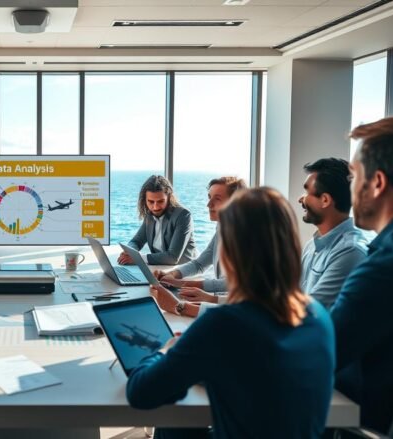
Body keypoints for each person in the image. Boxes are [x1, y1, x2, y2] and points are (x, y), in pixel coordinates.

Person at [128, 188, 335, 439]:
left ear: (232, 252)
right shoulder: (319, 317)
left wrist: (167, 350)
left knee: (173, 422)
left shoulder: (224, 324)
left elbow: (141, 393)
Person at [331, 115, 393, 433]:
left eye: (354, 176)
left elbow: (315, 357)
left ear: (377, 183)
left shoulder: (386, 271)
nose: (350, 187)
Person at [155, 177, 247, 307]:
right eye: (209, 197)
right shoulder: (222, 226)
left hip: (237, 306)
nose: (208, 204)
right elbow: (200, 263)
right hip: (221, 303)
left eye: (217, 199)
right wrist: (172, 275)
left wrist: (185, 284)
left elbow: (234, 283)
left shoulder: (247, 236)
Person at [297, 158, 368, 309]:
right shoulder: (312, 246)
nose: (300, 199)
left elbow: (310, 310)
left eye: (306, 191)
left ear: (325, 200)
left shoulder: (351, 251)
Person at [118, 175, 197, 266]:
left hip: (184, 270)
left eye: (160, 201)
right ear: (145, 200)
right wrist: (129, 252)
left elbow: (173, 257)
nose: (155, 207)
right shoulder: (150, 215)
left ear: (169, 198)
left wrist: (137, 258)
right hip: (159, 267)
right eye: (151, 202)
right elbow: (136, 241)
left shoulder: (183, 216)